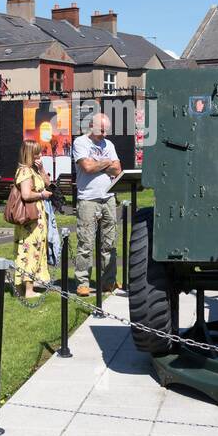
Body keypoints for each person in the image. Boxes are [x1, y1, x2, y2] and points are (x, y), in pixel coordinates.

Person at [72, 112, 122, 297]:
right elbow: (87, 167)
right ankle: (82, 283)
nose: (105, 134)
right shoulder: (80, 143)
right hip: (88, 199)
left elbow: (118, 169)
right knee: (85, 242)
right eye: (101, 130)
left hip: (108, 197)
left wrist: (98, 163)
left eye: (106, 130)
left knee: (109, 242)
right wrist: (107, 162)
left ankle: (108, 282)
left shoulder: (109, 144)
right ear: (91, 126)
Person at [12, 139, 53, 299]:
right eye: (37, 153)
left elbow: (48, 183)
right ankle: (28, 290)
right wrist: (41, 195)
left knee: (31, 250)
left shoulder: (33, 170)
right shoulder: (25, 171)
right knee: (30, 251)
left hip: (37, 218)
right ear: (29, 154)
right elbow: (26, 194)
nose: (40, 155)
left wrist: (41, 169)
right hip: (31, 219)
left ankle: (21, 289)